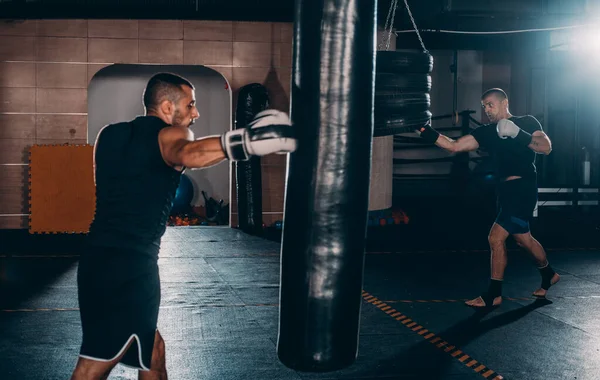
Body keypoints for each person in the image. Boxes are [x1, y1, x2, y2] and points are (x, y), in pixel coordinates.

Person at [70, 72, 296, 379]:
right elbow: (189, 153)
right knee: (94, 364)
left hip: (95, 261)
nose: (195, 113)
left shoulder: (108, 136)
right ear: (166, 107)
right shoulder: (170, 136)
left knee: (152, 352)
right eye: (190, 105)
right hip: (133, 268)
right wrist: (245, 141)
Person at [415, 88, 560, 308]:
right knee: (523, 239)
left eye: (490, 104)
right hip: (504, 192)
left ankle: (493, 295)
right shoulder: (487, 131)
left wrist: (517, 133)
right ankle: (548, 274)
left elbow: (546, 147)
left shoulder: (527, 122)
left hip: (523, 188)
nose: (487, 110)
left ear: (504, 103)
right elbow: (454, 146)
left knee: (495, 238)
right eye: (484, 106)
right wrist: (424, 130)